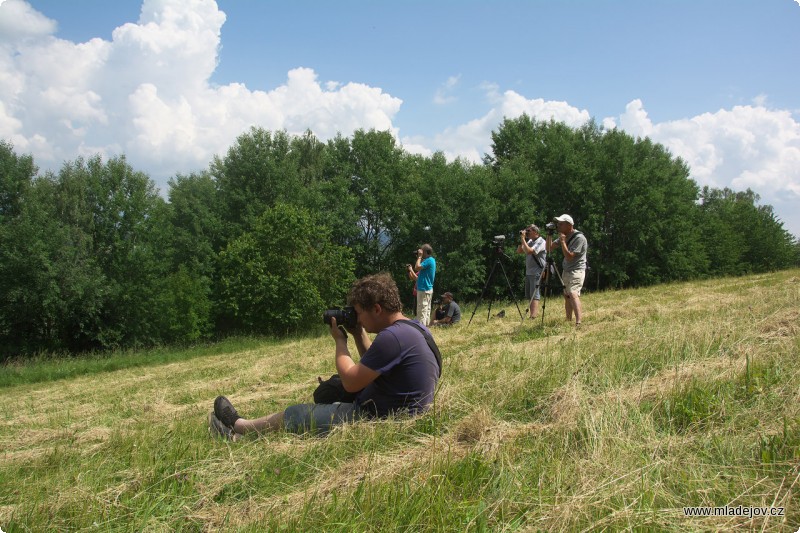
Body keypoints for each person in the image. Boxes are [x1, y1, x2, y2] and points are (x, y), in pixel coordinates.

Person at [208, 273, 441, 439]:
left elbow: (351, 382)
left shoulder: (393, 337)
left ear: (377, 309)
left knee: (297, 414)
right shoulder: (412, 329)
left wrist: (341, 342)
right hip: (401, 411)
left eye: (359, 313)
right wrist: (359, 334)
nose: (357, 319)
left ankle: (238, 429)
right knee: (330, 390)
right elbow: (376, 363)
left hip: (379, 419)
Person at [546, 214, 588, 326]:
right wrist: (549, 234)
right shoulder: (563, 235)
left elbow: (569, 257)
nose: (558, 226)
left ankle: (578, 322)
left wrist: (563, 242)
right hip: (566, 270)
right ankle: (568, 320)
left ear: (569, 225)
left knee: (573, 293)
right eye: (557, 224)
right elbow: (548, 248)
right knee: (567, 295)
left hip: (576, 270)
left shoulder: (579, 238)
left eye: (561, 224)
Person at [517, 224, 546, 318]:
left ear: (535, 232)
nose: (527, 233)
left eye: (529, 231)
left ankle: (533, 316)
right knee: (529, 294)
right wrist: (522, 239)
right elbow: (519, 251)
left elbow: (529, 251)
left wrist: (523, 239)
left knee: (534, 294)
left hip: (537, 271)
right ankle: (531, 314)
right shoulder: (529, 241)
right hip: (529, 271)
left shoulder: (541, 241)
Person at [413, 244, 436, 326]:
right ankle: (426, 328)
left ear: (425, 252)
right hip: (428, 289)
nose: (420, 252)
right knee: (426, 310)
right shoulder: (431, 260)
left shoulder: (429, 260)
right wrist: (421, 257)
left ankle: (421, 330)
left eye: (422, 251)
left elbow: (417, 267)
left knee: (421, 311)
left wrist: (419, 257)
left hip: (423, 289)